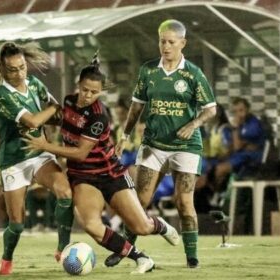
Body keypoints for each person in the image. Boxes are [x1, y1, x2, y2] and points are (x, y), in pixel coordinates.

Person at [23, 54, 180, 274]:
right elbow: (61, 119)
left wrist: (44, 145)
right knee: (91, 225)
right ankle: (141, 258)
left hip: (110, 174)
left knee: (141, 227)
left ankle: (160, 225)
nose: (88, 95)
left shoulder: (99, 116)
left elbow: (80, 153)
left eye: (94, 92)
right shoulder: (68, 101)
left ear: (101, 92)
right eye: (85, 89)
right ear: (79, 84)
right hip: (83, 177)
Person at [104, 19, 217, 269]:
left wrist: (193, 124)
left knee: (184, 204)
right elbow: (136, 107)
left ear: (182, 43)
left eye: (170, 42)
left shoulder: (193, 74)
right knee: (139, 201)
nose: (165, 46)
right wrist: (124, 136)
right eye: (161, 41)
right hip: (153, 145)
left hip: (186, 147)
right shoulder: (148, 71)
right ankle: (125, 250)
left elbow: (211, 109)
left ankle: (192, 257)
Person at [0, 42, 74, 275]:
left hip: (39, 153)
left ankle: (63, 247)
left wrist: (64, 114)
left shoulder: (35, 84)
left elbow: (56, 115)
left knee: (65, 193)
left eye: (22, 67)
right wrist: (54, 107)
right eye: (13, 69)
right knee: (17, 224)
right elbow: (33, 121)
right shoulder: (2, 95)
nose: (19, 73)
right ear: (2, 68)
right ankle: (7, 258)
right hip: (14, 161)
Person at [214, 97, 264, 185]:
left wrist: (235, 127)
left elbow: (237, 146)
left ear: (248, 110)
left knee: (220, 169)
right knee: (211, 168)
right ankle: (218, 195)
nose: (238, 114)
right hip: (241, 156)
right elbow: (233, 146)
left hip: (251, 158)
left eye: (241, 110)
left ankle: (215, 195)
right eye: (235, 112)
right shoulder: (241, 124)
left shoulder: (254, 124)